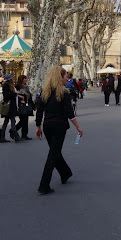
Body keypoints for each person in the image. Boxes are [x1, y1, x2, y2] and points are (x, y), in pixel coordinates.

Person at [35, 66, 84, 195]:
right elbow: (69, 113)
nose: (67, 78)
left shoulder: (45, 92)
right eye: (65, 76)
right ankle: (44, 185)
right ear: (60, 77)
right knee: (53, 154)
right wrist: (78, 127)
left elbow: (39, 110)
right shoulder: (64, 93)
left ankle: (65, 173)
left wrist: (38, 126)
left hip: (47, 126)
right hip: (59, 126)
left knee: (54, 151)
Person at [0, 73, 22, 143]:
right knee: (12, 120)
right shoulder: (6, 86)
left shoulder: (10, 85)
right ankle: (15, 136)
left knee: (7, 121)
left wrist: (17, 95)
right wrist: (16, 93)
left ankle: (2, 137)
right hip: (9, 106)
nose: (13, 79)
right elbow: (7, 95)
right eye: (12, 78)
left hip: (11, 106)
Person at [15, 75, 35, 140]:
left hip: (26, 105)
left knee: (25, 120)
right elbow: (15, 95)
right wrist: (20, 100)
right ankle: (14, 130)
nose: (26, 79)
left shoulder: (26, 87)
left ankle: (24, 135)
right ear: (21, 79)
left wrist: (33, 106)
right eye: (24, 78)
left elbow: (29, 97)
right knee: (23, 120)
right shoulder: (18, 86)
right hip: (20, 106)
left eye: (26, 78)